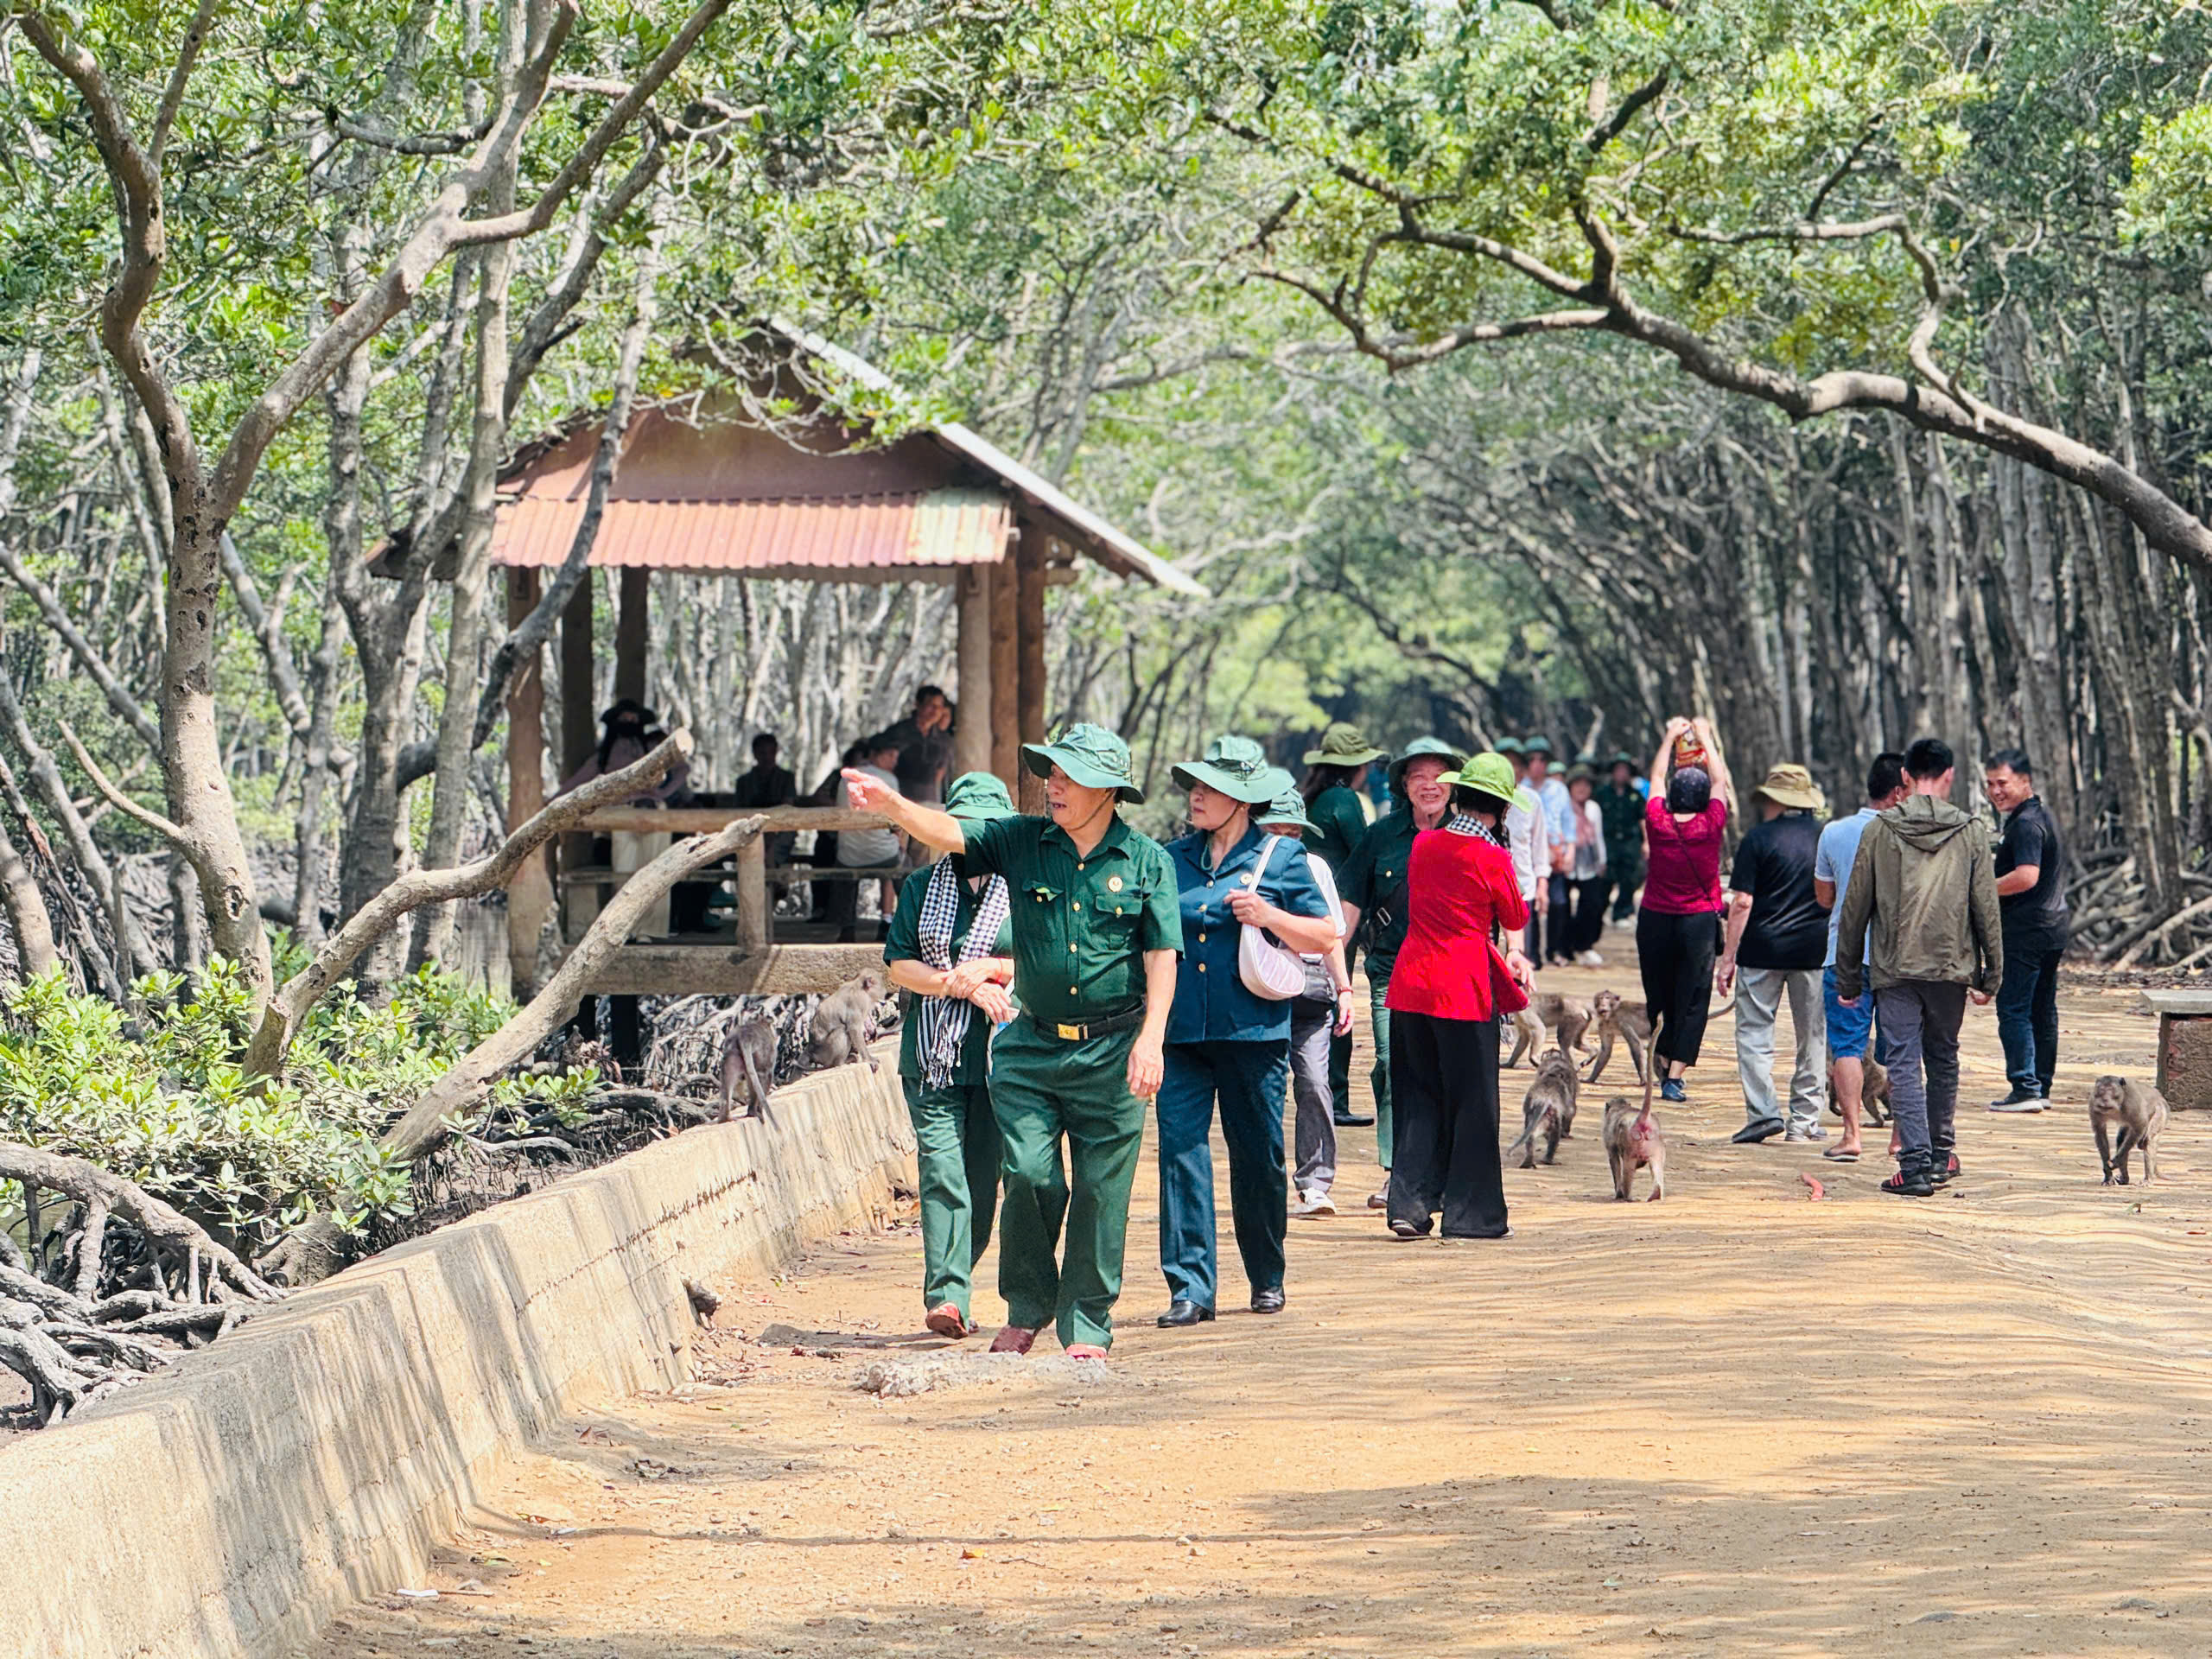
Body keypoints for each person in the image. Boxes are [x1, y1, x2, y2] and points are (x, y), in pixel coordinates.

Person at [842, 724, 1179, 1358]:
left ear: (1107, 790)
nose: (1052, 784)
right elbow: (952, 833)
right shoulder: (1022, 842)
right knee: (1026, 1174)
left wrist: (1152, 1040)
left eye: (1068, 775)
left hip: (1112, 1052)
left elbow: (1162, 956)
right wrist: (891, 806)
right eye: (1050, 772)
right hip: (1030, 1048)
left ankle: (1086, 1324)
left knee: (1103, 1194)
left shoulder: (1146, 862)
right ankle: (1027, 1306)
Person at [1154, 739, 1335, 1327]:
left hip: (1253, 1034)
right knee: (1181, 1157)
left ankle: (1266, 1273)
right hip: (1180, 1034)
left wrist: (1269, 915)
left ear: (1242, 801)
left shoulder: (1281, 858)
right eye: (1193, 786)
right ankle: (1190, 1289)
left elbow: (1325, 935)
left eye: (1208, 787)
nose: (1195, 795)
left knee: (1258, 1157)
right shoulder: (1171, 858)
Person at [1834, 737, 2005, 1198]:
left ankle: (1912, 1166)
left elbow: (1855, 909)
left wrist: (1849, 975)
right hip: (1951, 967)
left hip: (1894, 967)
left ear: (1905, 777)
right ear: (1949, 776)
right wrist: (1992, 974)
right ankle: (1940, 1154)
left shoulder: (1880, 831)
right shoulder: (1971, 831)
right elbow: (1985, 907)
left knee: (1904, 1062)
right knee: (1944, 1055)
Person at [881, 773, 1019, 1339]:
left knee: (984, 1185)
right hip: (932, 1056)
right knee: (942, 1172)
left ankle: (959, 1272)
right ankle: (947, 1296)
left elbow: (1038, 962)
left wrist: (989, 971)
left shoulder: (1025, 890)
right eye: (967, 828)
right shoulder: (920, 886)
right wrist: (955, 984)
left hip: (999, 1060)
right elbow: (898, 965)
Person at [1383, 753, 1531, 1240]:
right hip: (1463, 988)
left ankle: (1410, 1202)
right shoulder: (1492, 856)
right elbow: (1514, 914)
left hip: (1411, 982)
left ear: (1458, 795)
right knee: (1473, 1101)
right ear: (1502, 809)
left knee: (1418, 1095)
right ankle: (1472, 1214)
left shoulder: (1424, 845)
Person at [1338, 737, 1464, 1211]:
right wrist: (1336, 968)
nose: (1429, 785)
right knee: (1394, 1065)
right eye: (1418, 777)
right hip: (1392, 972)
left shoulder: (1469, 836)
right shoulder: (1381, 836)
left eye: (1439, 777)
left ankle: (1444, 1172)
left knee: (1447, 1072)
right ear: (1404, 786)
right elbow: (1351, 900)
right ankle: (1398, 1174)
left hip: (1453, 976)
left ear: (1453, 786)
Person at [1257, 791, 1359, 1220]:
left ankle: (1315, 1184)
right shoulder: (1248, 870)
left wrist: (1345, 990)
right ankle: (1261, 1182)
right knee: (1264, 1091)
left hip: (1311, 994)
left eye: (1294, 832)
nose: (1287, 839)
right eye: (1277, 830)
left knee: (1316, 1084)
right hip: (1258, 992)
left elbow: (1331, 935)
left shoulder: (1316, 868)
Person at [1717, 764, 1831, 1144]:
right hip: (1815, 951)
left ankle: (1763, 1112)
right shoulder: (1825, 837)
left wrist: (1727, 956)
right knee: (1812, 1036)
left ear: (1775, 802)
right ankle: (1804, 1121)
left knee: (1754, 1034)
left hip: (1762, 949)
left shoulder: (1757, 839)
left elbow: (1743, 902)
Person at [1638, 716, 1732, 1103]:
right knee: (1693, 995)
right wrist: (1707, 737)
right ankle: (1675, 1074)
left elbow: (1656, 777)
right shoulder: (1710, 826)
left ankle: (1660, 1050)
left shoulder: (1658, 822)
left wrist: (1669, 737)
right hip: (1696, 922)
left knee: (1658, 990)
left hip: (1655, 919)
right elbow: (1720, 782)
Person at [1300, 723, 1387, 1129]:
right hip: (1338, 911)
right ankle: (1336, 1096)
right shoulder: (1344, 799)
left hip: (1304, 906)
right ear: (1357, 766)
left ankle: (1319, 1090)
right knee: (1340, 995)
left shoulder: (1312, 798)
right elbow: (1365, 850)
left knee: (1316, 995)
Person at [1986, 748, 2069, 1110]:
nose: (1995, 791)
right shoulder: (2040, 815)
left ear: (2025, 780)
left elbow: (2026, 876)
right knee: (2041, 1008)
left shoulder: (2025, 824)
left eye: (2002, 782)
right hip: (2052, 927)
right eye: (1989, 784)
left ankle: (2025, 1086)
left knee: (2014, 1008)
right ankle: (2041, 1085)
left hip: (2026, 930)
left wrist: (1979, 887)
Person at [835, 734, 906, 943]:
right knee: (902, 861)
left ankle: (847, 927)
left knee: (843, 864)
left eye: (896, 756)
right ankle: (894, 920)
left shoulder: (846, 778)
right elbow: (897, 821)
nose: (894, 761)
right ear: (874, 755)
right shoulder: (889, 779)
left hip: (850, 856)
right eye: (890, 756)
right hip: (884, 856)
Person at [1525, 736, 1577, 964]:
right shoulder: (1521, 787)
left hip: (1555, 851)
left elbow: (1568, 821)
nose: (1537, 764)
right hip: (1528, 852)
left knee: (1559, 902)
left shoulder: (1559, 789)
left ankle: (1555, 949)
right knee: (1530, 903)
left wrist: (1571, 851)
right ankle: (1533, 953)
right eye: (1532, 759)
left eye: (1542, 759)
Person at [1499, 739, 1549, 960]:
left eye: (1516, 765)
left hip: (1523, 888)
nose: (1511, 770)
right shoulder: (1481, 799)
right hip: (1489, 889)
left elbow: (1539, 845)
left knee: (1521, 956)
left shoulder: (1532, 800)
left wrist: (1542, 884)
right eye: (1505, 764)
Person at [734, 733, 800, 885]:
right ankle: (771, 882)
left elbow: (787, 808)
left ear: (776, 752)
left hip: (780, 829)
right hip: (750, 829)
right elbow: (739, 812)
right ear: (755, 754)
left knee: (772, 847)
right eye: (762, 753)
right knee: (756, 846)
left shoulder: (787, 778)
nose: (767, 757)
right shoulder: (744, 782)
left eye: (771, 752)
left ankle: (768, 882)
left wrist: (771, 830)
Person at [1561, 763, 1609, 967]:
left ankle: (1585, 945)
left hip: (1588, 864)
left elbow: (1598, 836)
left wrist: (1602, 861)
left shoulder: (1593, 808)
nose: (1582, 789)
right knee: (1562, 908)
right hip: (1566, 863)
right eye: (1577, 784)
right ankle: (1563, 948)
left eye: (1586, 785)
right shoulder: (1563, 806)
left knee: (1591, 905)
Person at [883, 684, 955, 804]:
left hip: (930, 800)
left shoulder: (944, 739)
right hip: (898, 798)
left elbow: (940, 774)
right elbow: (884, 766)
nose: (936, 711)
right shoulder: (898, 732)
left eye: (939, 706)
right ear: (918, 704)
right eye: (931, 705)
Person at [1598, 753, 1647, 923]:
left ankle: (1623, 912)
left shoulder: (1636, 795)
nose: (1621, 774)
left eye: (1625, 770)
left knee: (1629, 878)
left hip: (1630, 843)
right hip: (1608, 842)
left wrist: (1646, 842)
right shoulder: (1602, 794)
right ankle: (1601, 911)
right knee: (1606, 879)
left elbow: (1643, 819)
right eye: (1618, 770)